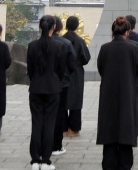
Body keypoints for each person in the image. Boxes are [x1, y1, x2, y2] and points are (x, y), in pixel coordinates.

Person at [97, 16, 138, 169]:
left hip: (108, 94)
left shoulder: (104, 48)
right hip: (127, 93)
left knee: (109, 130)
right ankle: (125, 164)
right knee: (125, 129)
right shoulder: (133, 48)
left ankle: (109, 163)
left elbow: (101, 69)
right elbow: (137, 70)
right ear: (127, 32)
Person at [27, 15, 68, 170]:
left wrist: (37, 80)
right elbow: (61, 70)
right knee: (49, 124)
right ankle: (45, 160)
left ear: (40, 26)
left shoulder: (32, 46)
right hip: (53, 88)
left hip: (36, 88)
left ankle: (35, 160)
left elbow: (30, 70)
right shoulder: (60, 46)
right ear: (54, 27)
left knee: (36, 124)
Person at [50, 15, 77, 157]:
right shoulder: (66, 43)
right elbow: (73, 64)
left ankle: (43, 145)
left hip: (42, 85)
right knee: (59, 115)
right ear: (57, 27)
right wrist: (65, 76)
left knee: (44, 115)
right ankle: (56, 146)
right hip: (62, 84)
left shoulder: (35, 43)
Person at [64, 16, 91, 135]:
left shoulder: (61, 40)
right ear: (77, 26)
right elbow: (86, 58)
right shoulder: (80, 41)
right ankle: (74, 128)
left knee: (62, 101)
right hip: (76, 73)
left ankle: (63, 127)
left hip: (63, 73)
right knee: (75, 101)